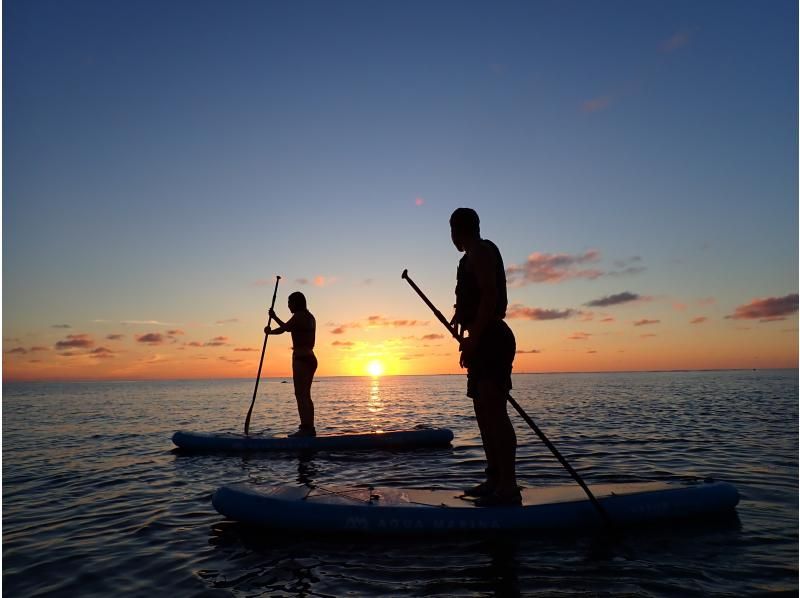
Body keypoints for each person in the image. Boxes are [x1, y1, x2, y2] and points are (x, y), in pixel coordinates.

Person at [450, 207, 520, 506]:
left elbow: (490, 297)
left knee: (495, 413)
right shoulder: (467, 259)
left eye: (452, 229)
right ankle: (494, 479)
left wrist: (474, 339)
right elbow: (474, 297)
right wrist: (459, 317)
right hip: (480, 340)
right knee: (483, 415)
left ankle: (508, 486)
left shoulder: (480, 251)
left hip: (491, 339)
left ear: (458, 229)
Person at [265, 291, 318, 437]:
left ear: (296, 303)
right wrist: (271, 331)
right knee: (305, 395)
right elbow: (286, 328)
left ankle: (306, 429)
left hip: (301, 359)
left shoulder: (299, 316)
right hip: (310, 358)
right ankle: (309, 428)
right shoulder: (310, 317)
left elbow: (286, 328)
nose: (288, 305)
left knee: (300, 395)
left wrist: (273, 318)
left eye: (290, 302)